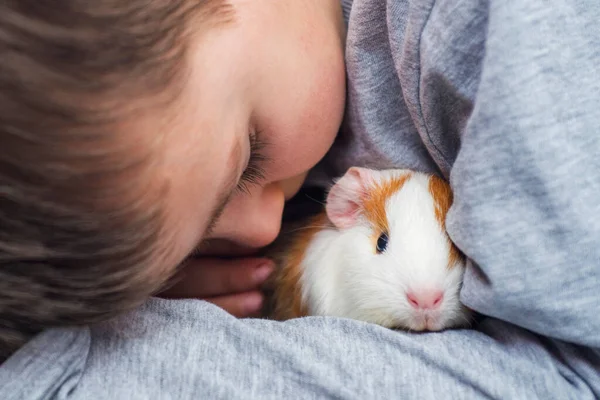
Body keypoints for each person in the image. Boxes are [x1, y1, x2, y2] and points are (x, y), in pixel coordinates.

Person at [0, 0, 598, 398]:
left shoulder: (495, 28)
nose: (263, 230)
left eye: (248, 157)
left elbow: (572, 373)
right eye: (204, 236)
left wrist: (99, 363)